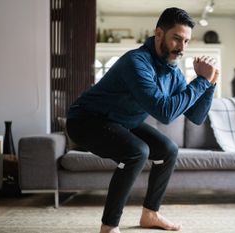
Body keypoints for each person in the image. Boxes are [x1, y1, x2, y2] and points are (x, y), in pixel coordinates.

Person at [66, 7, 219, 233]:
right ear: (158, 34)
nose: (182, 48)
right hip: (86, 120)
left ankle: (150, 214)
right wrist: (201, 82)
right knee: (137, 151)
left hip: (122, 121)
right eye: (176, 39)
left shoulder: (173, 71)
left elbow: (195, 117)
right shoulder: (136, 62)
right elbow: (164, 113)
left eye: (186, 41)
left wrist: (210, 84)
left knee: (168, 150)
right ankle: (109, 227)